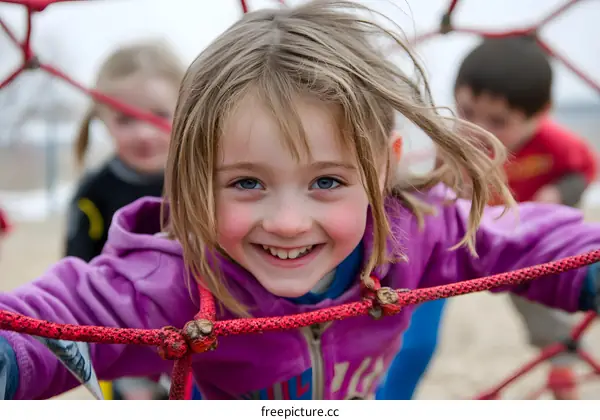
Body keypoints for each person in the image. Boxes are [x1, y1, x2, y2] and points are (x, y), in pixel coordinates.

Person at [0, 1, 599, 400]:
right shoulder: (176, 278)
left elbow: (522, 237)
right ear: (191, 176)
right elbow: (62, 312)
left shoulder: (412, 233)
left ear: (383, 167)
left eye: (327, 182)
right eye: (246, 183)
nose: (288, 223)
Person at [451, 36, 598, 399]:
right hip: (479, 236)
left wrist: (558, 196)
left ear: (541, 114)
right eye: (466, 112)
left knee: (541, 308)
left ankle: (562, 370)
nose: (478, 131)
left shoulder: (557, 143)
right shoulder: (455, 143)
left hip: (533, 244)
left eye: (498, 121)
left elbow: (585, 170)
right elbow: (445, 192)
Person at [63, 40, 186, 399]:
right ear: (102, 119)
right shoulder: (94, 193)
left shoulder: (206, 180)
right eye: (125, 119)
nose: (143, 133)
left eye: (157, 115)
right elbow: (75, 271)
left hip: (204, 329)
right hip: (126, 341)